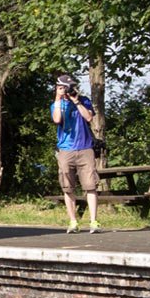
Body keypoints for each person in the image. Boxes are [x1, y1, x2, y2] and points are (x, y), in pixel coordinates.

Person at [52, 73, 100, 234]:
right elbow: (57, 119)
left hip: (85, 148)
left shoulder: (84, 101)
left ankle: (94, 221)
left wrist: (76, 101)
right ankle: (73, 221)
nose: (69, 90)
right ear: (58, 88)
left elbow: (89, 118)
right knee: (68, 187)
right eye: (65, 88)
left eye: (71, 87)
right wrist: (58, 98)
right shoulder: (58, 104)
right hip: (66, 149)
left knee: (91, 185)